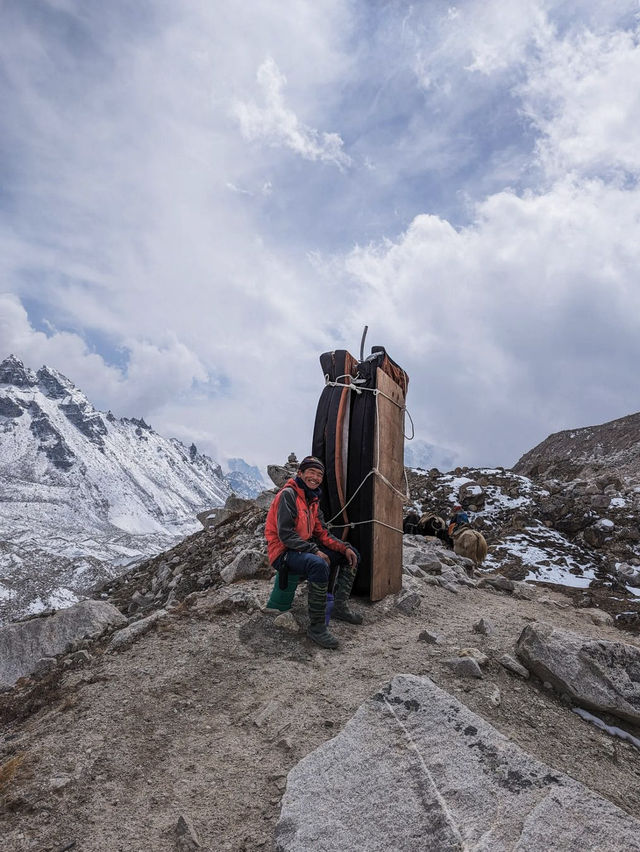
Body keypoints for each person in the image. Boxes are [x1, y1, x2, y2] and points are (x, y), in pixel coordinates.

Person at [264, 455, 361, 649]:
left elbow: (322, 532)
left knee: (351, 555)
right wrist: (314, 550)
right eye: (311, 472)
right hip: (283, 552)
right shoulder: (288, 495)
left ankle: (339, 607)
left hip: (300, 549)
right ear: (300, 473)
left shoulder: (312, 499)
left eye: (319, 475)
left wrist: (344, 547)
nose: (315, 477)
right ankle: (316, 628)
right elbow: (286, 535)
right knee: (318, 563)